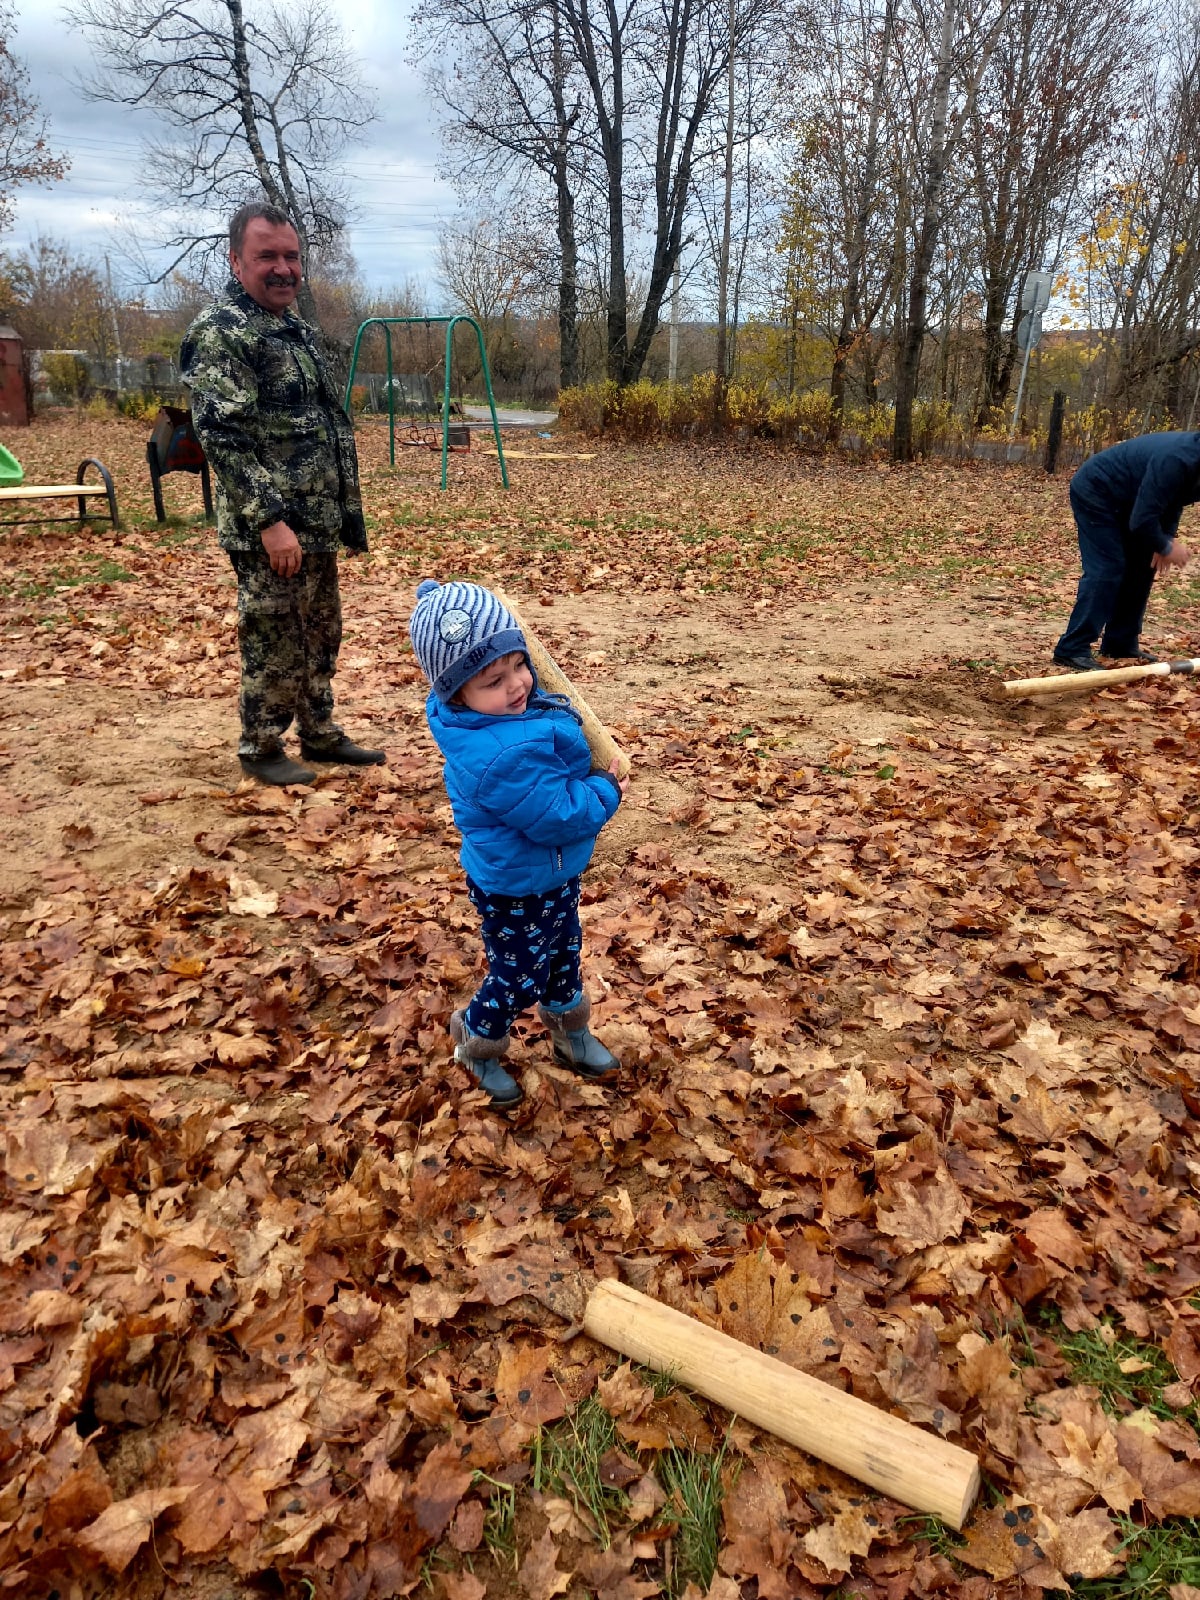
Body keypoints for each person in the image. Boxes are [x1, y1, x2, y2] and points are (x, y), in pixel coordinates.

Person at [181, 200, 385, 785]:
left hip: (315, 518)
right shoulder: (222, 331)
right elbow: (222, 435)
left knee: (319, 629)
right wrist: (271, 522)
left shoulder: (292, 326)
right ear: (236, 260)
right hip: (272, 525)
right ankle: (262, 745)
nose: (282, 268)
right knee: (273, 632)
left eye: (291, 256)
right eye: (266, 255)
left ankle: (318, 732)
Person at [407, 579, 627, 1107]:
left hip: (549, 874)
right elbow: (558, 815)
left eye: (518, 666)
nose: (516, 685)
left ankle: (569, 1034)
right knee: (519, 974)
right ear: (456, 693)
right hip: (516, 887)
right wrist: (607, 787)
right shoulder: (497, 756)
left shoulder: (506, 716)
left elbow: (543, 721)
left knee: (563, 954)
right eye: (493, 680)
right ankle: (476, 1040)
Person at [1053, 431, 1195, 671]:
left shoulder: (1191, 464)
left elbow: (1174, 498)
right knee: (1108, 567)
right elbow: (1142, 520)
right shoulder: (1177, 458)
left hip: (1133, 501)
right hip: (1098, 491)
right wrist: (1165, 545)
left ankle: (1120, 643)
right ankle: (1072, 648)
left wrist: (1165, 538)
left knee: (1143, 567)